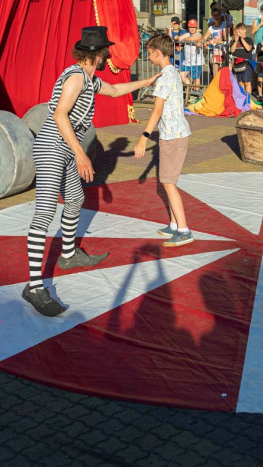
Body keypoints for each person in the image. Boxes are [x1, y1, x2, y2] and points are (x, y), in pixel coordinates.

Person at [23, 26, 159, 317]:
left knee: (74, 199)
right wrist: (81, 153)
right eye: (106, 52)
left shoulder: (89, 79)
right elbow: (59, 115)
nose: (108, 56)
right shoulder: (74, 77)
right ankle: (34, 287)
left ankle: (69, 255)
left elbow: (115, 90)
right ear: (98, 54)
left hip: (68, 148)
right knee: (45, 213)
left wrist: (148, 80)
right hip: (52, 148)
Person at [135, 34, 194, 246]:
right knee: (167, 181)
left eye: (149, 53)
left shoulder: (164, 78)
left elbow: (156, 110)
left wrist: (143, 138)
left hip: (173, 136)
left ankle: (185, 230)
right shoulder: (172, 72)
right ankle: (174, 224)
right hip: (174, 134)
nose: (148, 57)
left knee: (168, 183)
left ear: (158, 53)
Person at [177, 18, 204, 88]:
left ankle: (197, 92)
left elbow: (192, 39)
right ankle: (191, 90)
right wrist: (180, 38)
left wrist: (183, 39)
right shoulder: (187, 34)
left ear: (196, 27)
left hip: (196, 61)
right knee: (181, 74)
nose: (192, 29)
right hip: (187, 61)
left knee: (196, 78)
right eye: (190, 27)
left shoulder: (199, 35)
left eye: (193, 27)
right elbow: (179, 38)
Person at [229, 22, 255, 94]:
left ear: (244, 31)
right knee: (240, 83)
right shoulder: (234, 41)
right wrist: (236, 41)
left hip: (247, 64)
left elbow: (248, 49)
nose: (238, 33)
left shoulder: (248, 39)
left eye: (240, 31)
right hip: (237, 65)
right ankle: (243, 98)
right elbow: (232, 50)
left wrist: (242, 39)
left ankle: (248, 99)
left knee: (247, 82)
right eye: (237, 31)